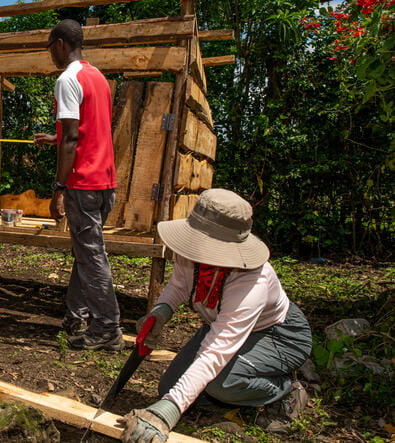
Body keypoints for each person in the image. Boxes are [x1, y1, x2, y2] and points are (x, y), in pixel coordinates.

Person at [118, 189, 312, 443]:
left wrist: (167, 412)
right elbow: (179, 285)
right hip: (221, 328)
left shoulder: (253, 281)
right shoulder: (191, 250)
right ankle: (227, 392)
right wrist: (161, 312)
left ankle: (285, 389)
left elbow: (216, 350)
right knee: (169, 388)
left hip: (277, 336)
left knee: (220, 384)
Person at [33, 19, 120, 350]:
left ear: (59, 44)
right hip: (105, 182)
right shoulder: (98, 77)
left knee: (92, 257)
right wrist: (54, 137)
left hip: (83, 183)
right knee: (86, 253)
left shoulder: (67, 80)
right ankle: (75, 317)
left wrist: (59, 186)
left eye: (49, 48)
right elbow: (86, 132)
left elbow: (71, 138)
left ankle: (107, 327)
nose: (50, 55)